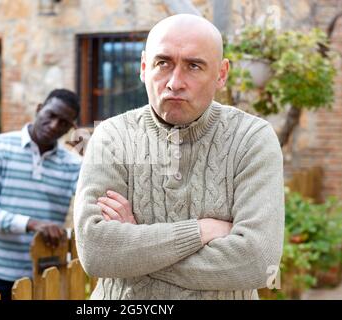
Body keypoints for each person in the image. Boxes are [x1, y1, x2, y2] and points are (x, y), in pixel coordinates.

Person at [74, 14, 284, 300]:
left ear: (222, 74)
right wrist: (199, 232)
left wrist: (136, 249)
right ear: (144, 67)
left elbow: (259, 261)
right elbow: (97, 253)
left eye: (194, 66)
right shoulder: (111, 137)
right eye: (163, 63)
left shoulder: (251, 139)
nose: (175, 82)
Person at [0, 89, 81, 300]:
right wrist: (32, 223)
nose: (55, 125)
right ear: (39, 109)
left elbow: (93, 202)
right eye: (51, 115)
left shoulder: (73, 165)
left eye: (64, 123)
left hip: (42, 274)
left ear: (72, 127)